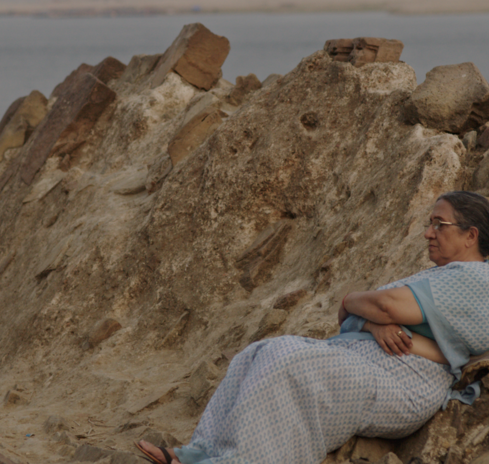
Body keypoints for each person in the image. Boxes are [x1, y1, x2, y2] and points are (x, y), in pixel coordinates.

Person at [137, 191, 489, 464]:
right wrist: (371, 323)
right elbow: (356, 317)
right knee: (257, 352)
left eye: (438, 224)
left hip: (403, 382)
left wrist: (353, 300)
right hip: (372, 365)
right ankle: (199, 453)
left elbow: (384, 305)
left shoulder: (476, 278)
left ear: (470, 235)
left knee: (289, 357)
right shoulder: (441, 275)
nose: (428, 232)